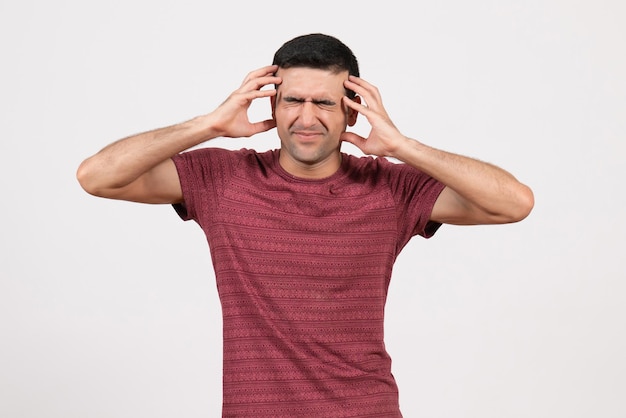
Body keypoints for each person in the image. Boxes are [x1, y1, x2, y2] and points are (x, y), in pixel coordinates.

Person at [77, 33, 534, 417]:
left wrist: (403, 145)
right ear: (272, 106)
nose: (306, 117)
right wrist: (209, 124)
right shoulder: (222, 179)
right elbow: (97, 176)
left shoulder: (391, 189)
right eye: (293, 100)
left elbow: (513, 204)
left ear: (352, 111)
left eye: (325, 103)